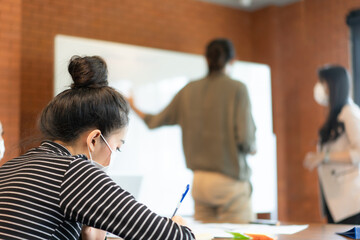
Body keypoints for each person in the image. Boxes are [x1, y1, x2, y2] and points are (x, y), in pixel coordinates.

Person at [0, 56, 195, 240]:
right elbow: (176, 237)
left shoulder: (10, 167)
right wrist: (178, 225)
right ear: (94, 140)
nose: (112, 159)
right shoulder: (74, 172)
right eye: (116, 147)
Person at [129, 38, 256, 223]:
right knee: (240, 235)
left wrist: (133, 105)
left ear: (206, 59)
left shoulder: (188, 89)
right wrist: (252, 147)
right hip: (230, 182)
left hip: (200, 182)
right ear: (233, 60)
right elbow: (246, 140)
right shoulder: (238, 89)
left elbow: (154, 122)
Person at [304, 65, 360, 224]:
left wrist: (325, 156)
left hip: (351, 203)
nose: (320, 87)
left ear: (334, 85)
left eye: (322, 82)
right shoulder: (337, 114)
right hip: (336, 202)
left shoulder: (350, 113)